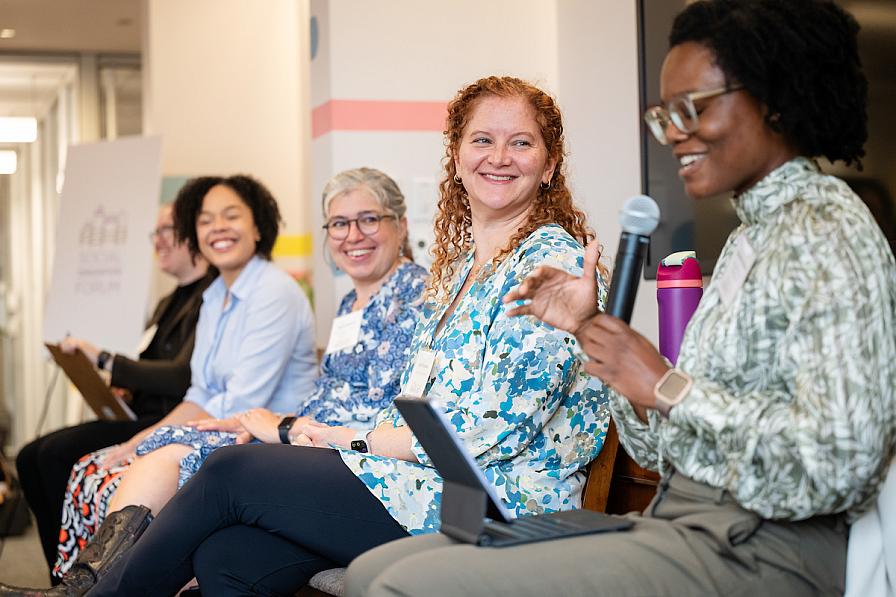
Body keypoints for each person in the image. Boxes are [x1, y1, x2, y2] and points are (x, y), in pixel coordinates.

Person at [345, 1, 896, 596]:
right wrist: (605, 349)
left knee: (406, 587)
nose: (674, 134)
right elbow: (659, 446)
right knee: (372, 572)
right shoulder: (747, 238)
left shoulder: (826, 228)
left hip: (767, 541)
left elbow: (843, 459)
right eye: (666, 116)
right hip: (680, 515)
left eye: (694, 108)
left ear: (775, 99)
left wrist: (665, 386)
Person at [78, 75, 611, 597]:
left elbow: (484, 434)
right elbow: (415, 402)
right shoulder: (461, 270)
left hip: (497, 505)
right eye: (482, 140)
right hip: (420, 482)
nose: (499, 156)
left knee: (229, 471)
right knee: (231, 557)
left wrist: (330, 437)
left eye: (521, 142)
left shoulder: (552, 265)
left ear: (549, 164)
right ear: (456, 156)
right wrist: (332, 439)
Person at [56, 167, 428, 584]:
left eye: (369, 219)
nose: (353, 235)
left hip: (345, 457)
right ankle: (87, 583)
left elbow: (376, 413)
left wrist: (286, 429)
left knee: (207, 464)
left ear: (401, 225)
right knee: (193, 512)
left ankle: (92, 588)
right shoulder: (350, 302)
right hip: (307, 436)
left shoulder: (415, 297)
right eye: (340, 223)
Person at [0, 174, 319, 597]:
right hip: (214, 426)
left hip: (255, 437)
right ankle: (76, 586)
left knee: (114, 473)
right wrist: (140, 438)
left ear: (258, 226)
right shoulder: (214, 296)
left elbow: (242, 403)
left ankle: (89, 590)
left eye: (231, 216)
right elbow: (200, 393)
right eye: (205, 220)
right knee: (95, 466)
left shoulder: (275, 291)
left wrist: (154, 439)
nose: (217, 227)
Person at [14, 204, 212, 574]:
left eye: (167, 230)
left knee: (54, 455)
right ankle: (59, 572)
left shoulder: (211, 298)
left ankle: (78, 575)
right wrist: (123, 390)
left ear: (193, 234)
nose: (159, 241)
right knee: (28, 456)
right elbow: (151, 365)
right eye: (155, 233)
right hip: (138, 413)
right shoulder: (169, 302)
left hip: (166, 421)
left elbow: (182, 377)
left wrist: (104, 358)